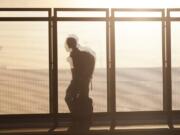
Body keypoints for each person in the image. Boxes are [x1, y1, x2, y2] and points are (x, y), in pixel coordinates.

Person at [64, 35, 95, 134]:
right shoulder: (83, 54)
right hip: (84, 81)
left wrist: (76, 81)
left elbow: (75, 72)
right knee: (83, 99)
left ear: (69, 44)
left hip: (79, 81)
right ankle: (83, 118)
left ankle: (78, 117)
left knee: (69, 97)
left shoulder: (74, 55)